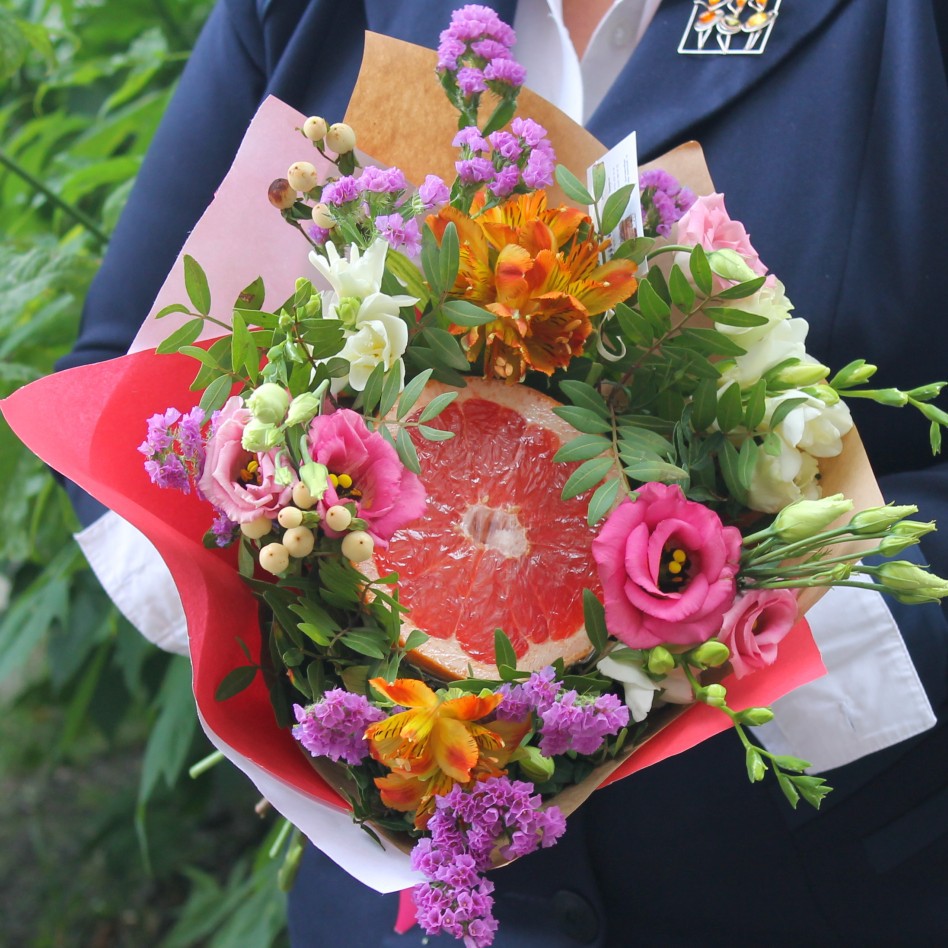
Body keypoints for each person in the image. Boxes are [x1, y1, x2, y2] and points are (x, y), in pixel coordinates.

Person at [59, 1, 948, 944]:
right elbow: (120, 390)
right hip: (398, 916)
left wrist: (738, 633)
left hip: (789, 888)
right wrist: (303, 621)